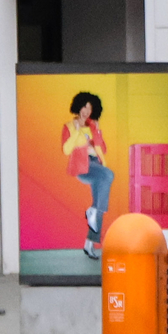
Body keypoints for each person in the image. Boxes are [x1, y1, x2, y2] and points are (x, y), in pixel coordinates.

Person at [63, 92, 113, 259]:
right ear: (78, 106)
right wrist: (77, 132)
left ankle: (89, 244)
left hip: (97, 167)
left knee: (99, 207)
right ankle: (91, 211)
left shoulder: (93, 127)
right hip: (83, 167)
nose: (86, 111)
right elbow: (66, 150)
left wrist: (97, 131)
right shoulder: (69, 126)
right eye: (84, 106)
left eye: (90, 108)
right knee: (109, 174)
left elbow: (102, 150)